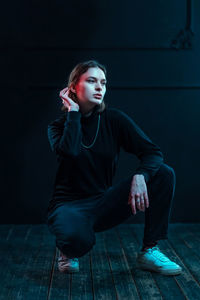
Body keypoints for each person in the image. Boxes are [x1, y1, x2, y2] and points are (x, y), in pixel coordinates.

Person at [46, 60, 182, 276]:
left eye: (103, 82)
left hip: (104, 203)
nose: (100, 87)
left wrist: (141, 175)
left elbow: (152, 152)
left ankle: (149, 250)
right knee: (77, 242)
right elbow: (70, 152)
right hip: (68, 207)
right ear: (72, 87)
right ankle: (66, 248)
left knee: (163, 173)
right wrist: (73, 112)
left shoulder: (114, 119)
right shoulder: (57, 127)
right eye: (91, 81)